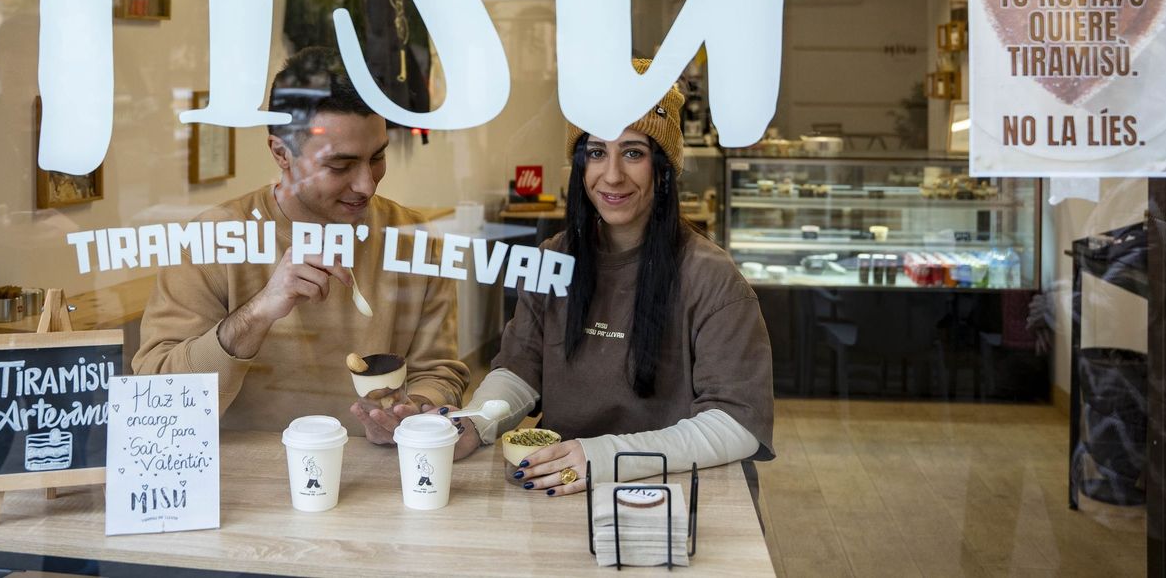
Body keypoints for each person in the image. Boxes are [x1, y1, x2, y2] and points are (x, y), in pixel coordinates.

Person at [448, 61, 774, 495]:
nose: (613, 174)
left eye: (634, 152)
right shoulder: (553, 258)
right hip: (563, 484)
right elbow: (520, 368)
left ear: (663, 167)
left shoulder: (711, 277)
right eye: (597, 152)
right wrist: (477, 420)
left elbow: (737, 423)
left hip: (669, 495)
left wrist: (606, 457)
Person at [134, 47, 468, 440]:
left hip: (378, 479)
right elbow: (156, 397)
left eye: (377, 157)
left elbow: (439, 372)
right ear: (281, 153)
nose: (366, 184)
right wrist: (256, 314)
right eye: (340, 166)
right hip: (248, 481)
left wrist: (413, 414)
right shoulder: (211, 240)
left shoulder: (414, 241)